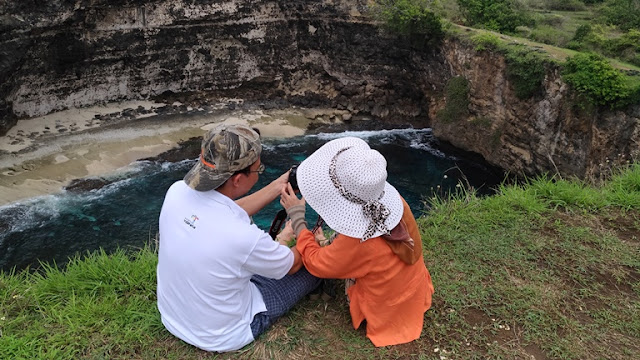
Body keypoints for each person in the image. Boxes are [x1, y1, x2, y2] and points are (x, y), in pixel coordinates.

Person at [156, 124, 320, 352]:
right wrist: (302, 227)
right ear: (237, 179)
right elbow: (292, 265)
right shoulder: (242, 237)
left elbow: (227, 210)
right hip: (224, 335)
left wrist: (278, 185)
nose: (260, 170)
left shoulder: (176, 191)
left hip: (174, 317)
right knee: (316, 265)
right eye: (258, 169)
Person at [279, 136, 435, 347]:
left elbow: (317, 264)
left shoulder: (358, 240)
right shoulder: (396, 202)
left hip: (387, 309)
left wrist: (298, 219)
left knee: (332, 265)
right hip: (413, 290)